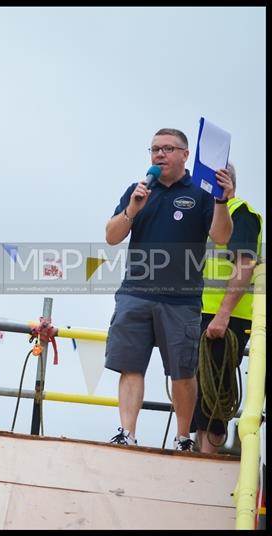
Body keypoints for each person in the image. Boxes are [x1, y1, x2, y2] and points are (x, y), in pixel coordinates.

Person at [104, 128, 233, 451]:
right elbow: (111, 235)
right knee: (130, 365)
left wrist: (221, 200)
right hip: (135, 292)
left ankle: (183, 437)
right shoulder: (138, 190)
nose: (160, 155)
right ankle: (127, 432)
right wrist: (133, 208)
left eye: (168, 149)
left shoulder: (202, 193)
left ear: (185, 155)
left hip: (181, 298)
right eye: (155, 149)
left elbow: (221, 236)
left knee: (182, 372)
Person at [194, 163, 262, 453]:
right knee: (196, 385)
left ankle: (207, 456)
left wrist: (222, 316)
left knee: (215, 389)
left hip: (227, 317)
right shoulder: (205, 219)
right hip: (198, 313)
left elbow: (244, 264)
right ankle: (194, 451)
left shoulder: (241, 212)